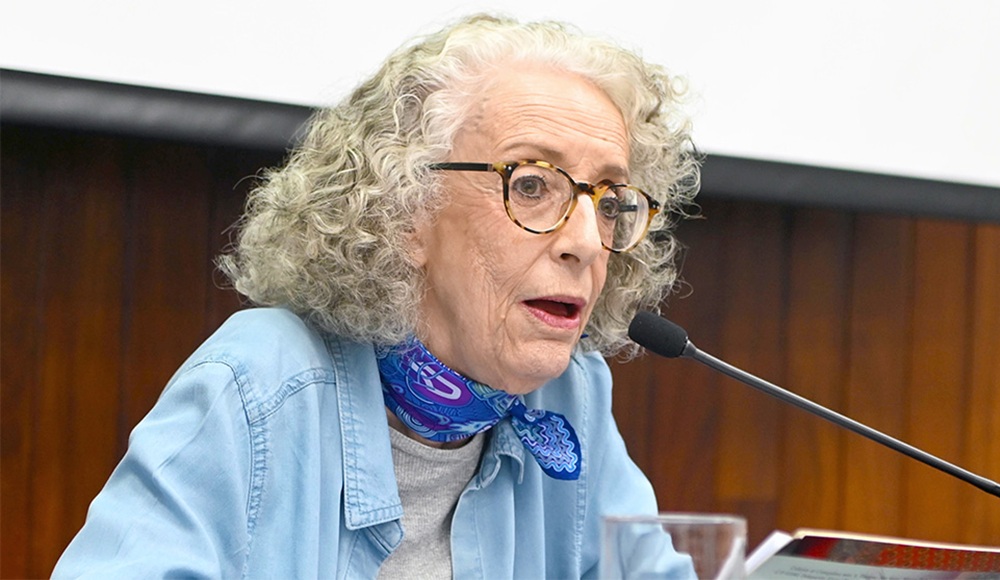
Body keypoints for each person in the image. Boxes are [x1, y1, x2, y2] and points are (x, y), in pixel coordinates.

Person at [53, 12, 700, 579]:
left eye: (609, 202)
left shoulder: (571, 396)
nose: (586, 241)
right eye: (531, 185)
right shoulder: (260, 382)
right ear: (407, 211)